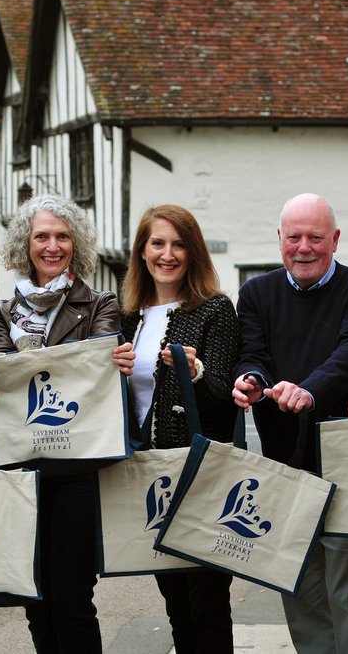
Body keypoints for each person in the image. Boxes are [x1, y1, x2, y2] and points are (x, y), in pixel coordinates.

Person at [0, 193, 134, 654]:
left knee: (72, 598)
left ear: (76, 244)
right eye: (41, 236)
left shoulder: (101, 303)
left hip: (78, 469)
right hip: (21, 471)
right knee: (35, 598)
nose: (52, 245)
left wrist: (20, 370)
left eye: (62, 236)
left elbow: (91, 367)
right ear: (25, 244)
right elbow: (5, 373)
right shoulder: (0, 313)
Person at [231, 193, 348, 654]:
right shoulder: (257, 292)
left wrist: (308, 389)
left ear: (335, 240)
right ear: (279, 239)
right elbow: (253, 354)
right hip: (283, 460)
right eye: (294, 237)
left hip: (344, 458)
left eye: (316, 238)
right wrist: (252, 380)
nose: (304, 248)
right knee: (297, 582)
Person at [120, 204, 240, 653]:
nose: (167, 254)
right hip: (146, 475)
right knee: (174, 599)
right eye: (157, 243)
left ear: (193, 252)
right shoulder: (127, 315)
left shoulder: (215, 310)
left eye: (178, 244)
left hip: (200, 474)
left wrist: (195, 371)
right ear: (142, 251)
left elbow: (222, 401)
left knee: (206, 601)